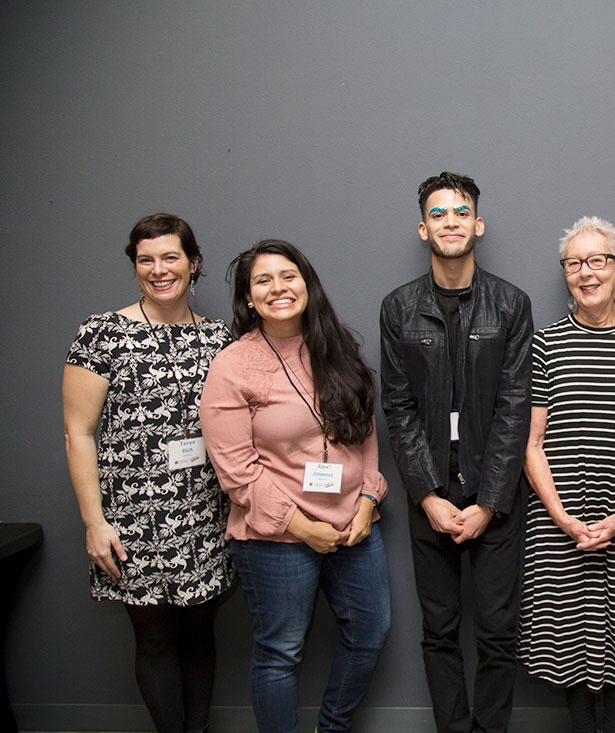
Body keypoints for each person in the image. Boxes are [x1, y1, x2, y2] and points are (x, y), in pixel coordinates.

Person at [200, 240, 390, 733]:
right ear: (247, 298)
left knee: (370, 632)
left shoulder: (337, 348)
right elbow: (236, 471)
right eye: (262, 281)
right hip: (277, 538)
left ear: (307, 284)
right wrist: (304, 528)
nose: (278, 288)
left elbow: (364, 434)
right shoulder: (232, 367)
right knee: (279, 652)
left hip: (354, 527)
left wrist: (368, 500)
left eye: (288, 276)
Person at [62, 213, 234, 733]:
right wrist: (95, 523)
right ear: (135, 265)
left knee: (201, 631)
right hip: (134, 518)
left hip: (205, 512)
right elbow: (78, 433)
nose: (159, 270)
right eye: (146, 260)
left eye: (170, 257)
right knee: (155, 637)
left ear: (193, 263)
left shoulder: (220, 339)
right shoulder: (102, 333)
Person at [380, 172, 533, 733]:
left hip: (493, 499)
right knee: (439, 632)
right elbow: (396, 407)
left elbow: (515, 407)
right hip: (433, 499)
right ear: (424, 228)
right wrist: (426, 496)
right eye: (439, 214)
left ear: (478, 224)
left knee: (497, 634)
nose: (451, 223)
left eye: (461, 212)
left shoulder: (512, 304)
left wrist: (489, 502)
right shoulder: (398, 308)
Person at [517, 216, 615, 733]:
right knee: (568, 636)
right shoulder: (543, 346)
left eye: (597, 261)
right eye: (574, 263)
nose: (586, 273)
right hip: (558, 516)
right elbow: (531, 442)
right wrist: (561, 516)